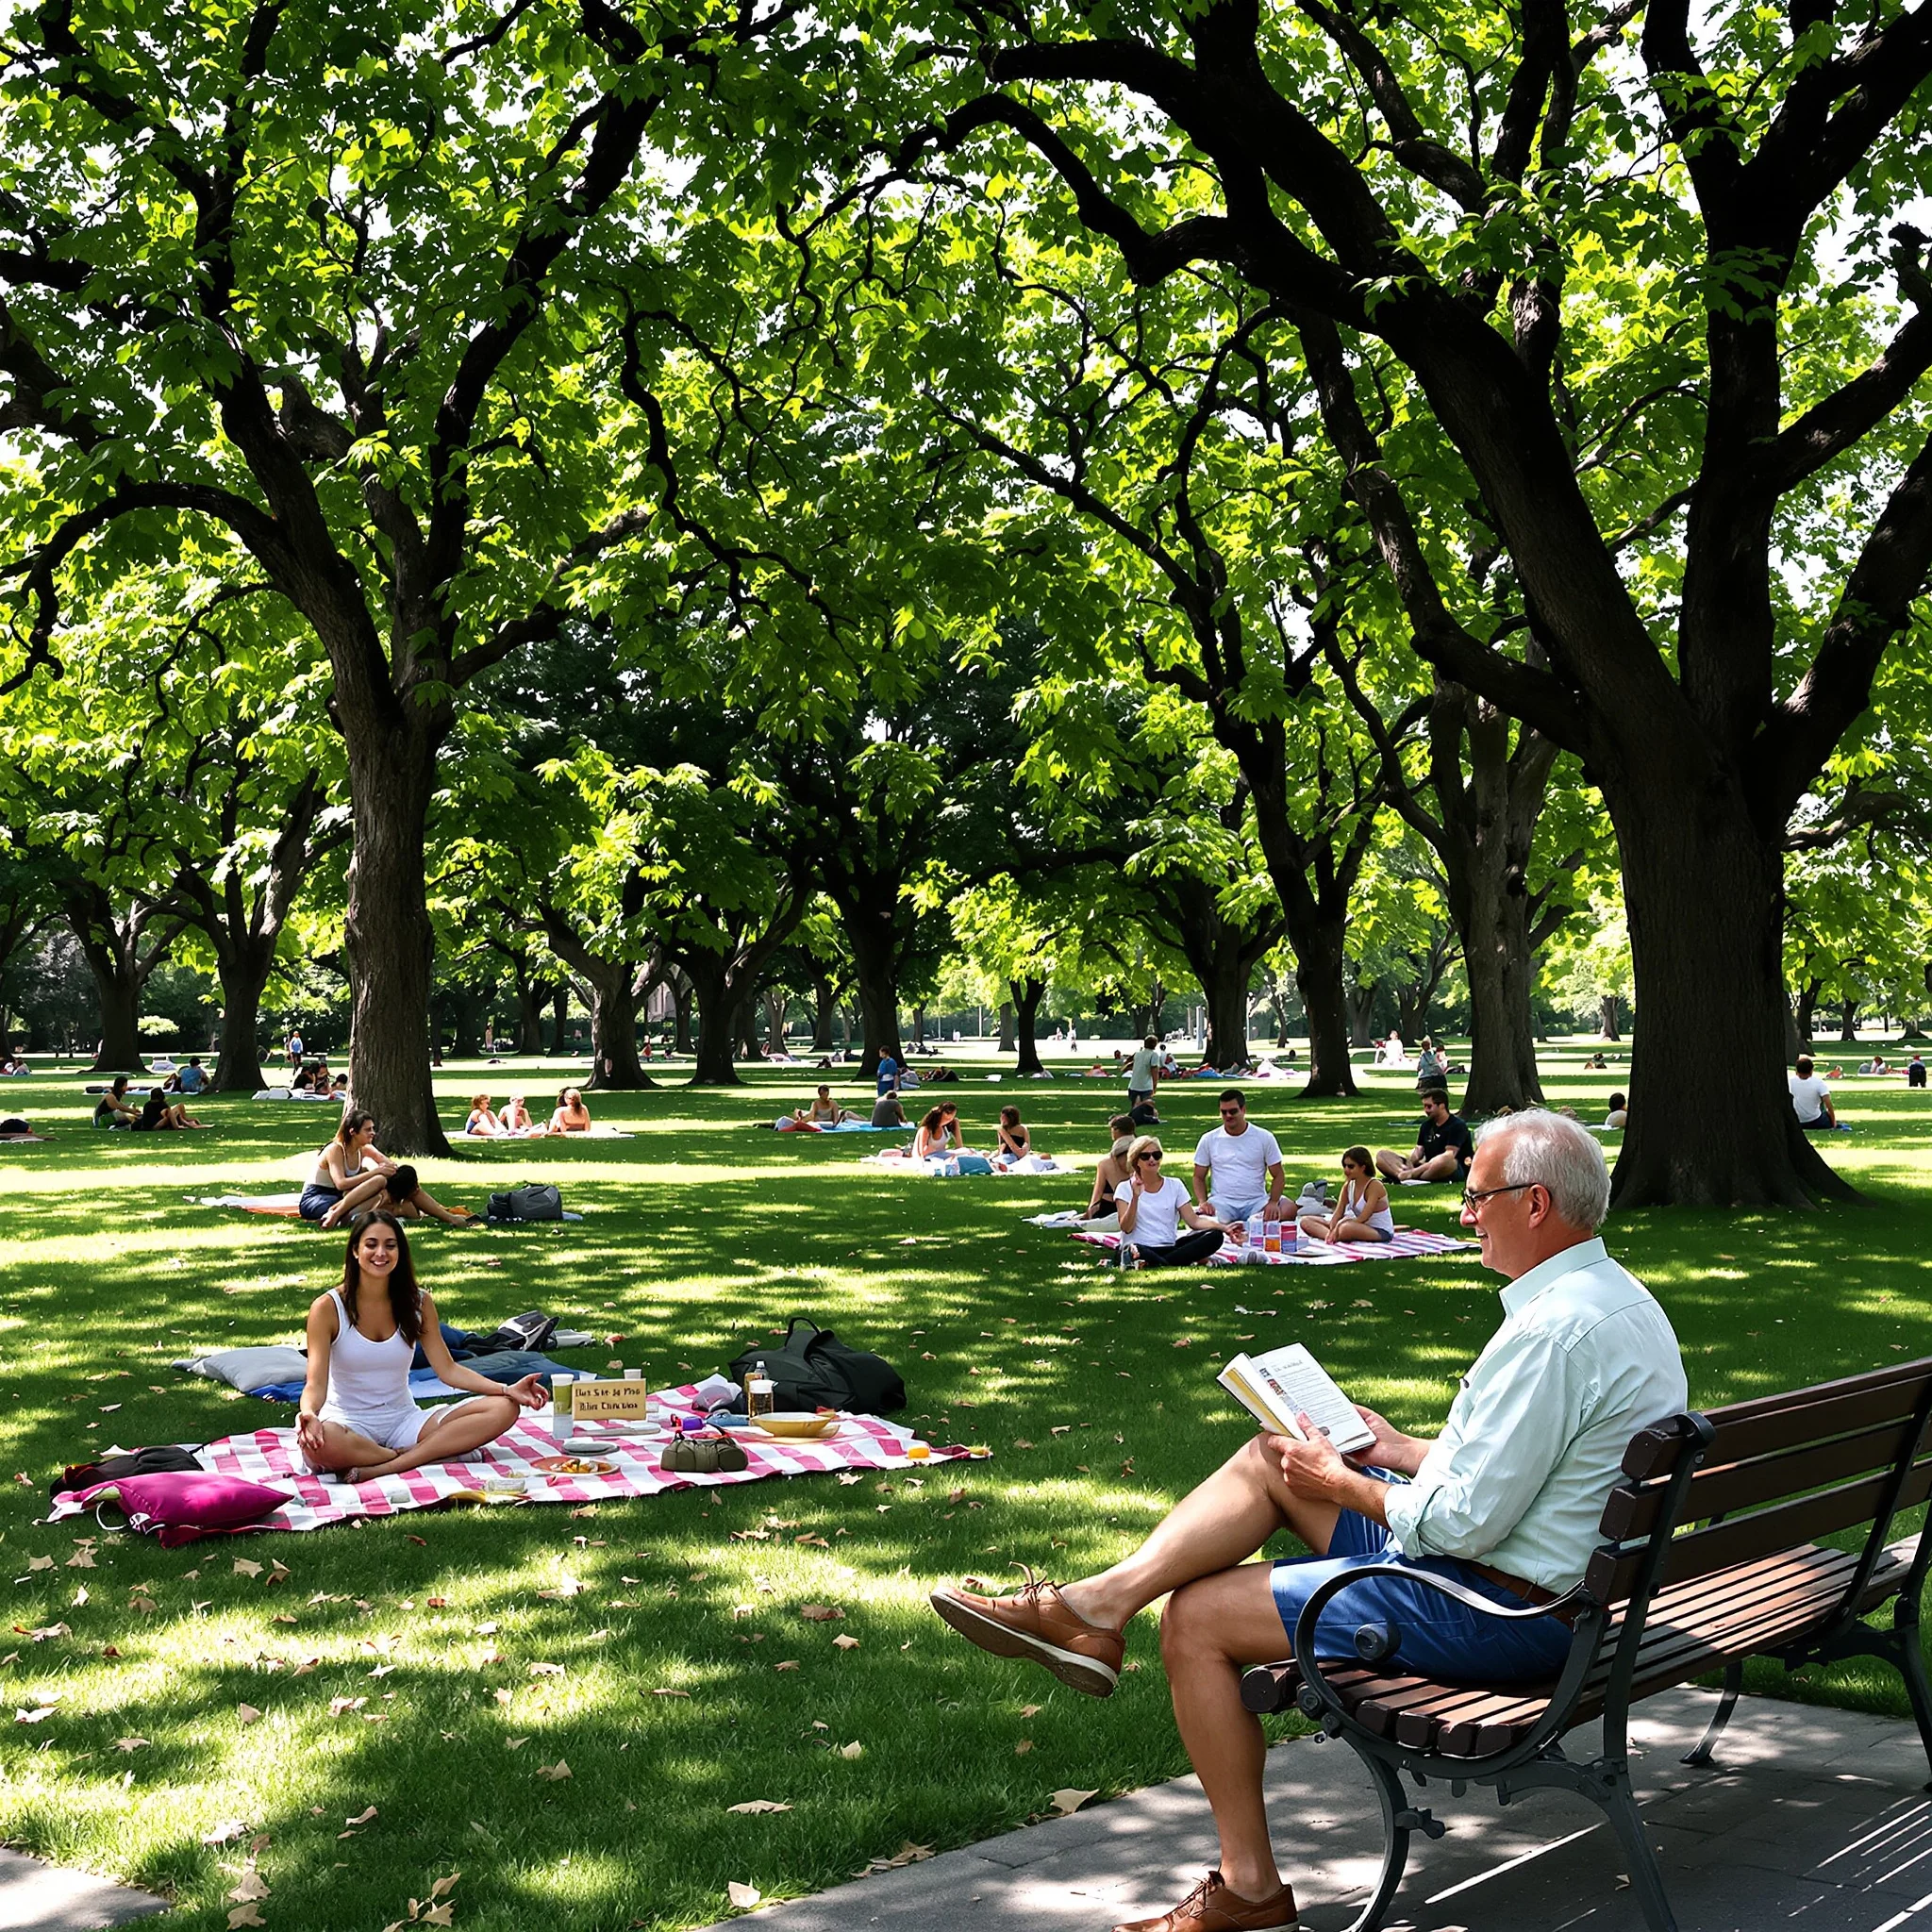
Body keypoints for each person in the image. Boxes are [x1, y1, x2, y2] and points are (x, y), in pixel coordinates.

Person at [929, 1109, 1687, 1932]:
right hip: (1555, 1587)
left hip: (1503, 1610)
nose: (1464, 1213)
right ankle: (1096, 1609)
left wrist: (1345, 1480)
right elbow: (1536, 1471)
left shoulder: (1552, 1332)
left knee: (1196, 1620)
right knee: (1268, 1458)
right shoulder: (1613, 1300)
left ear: (1534, 1203)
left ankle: (1250, 1891)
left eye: (1477, 1197)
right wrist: (1395, 1449)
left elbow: (1463, 1525)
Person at [296, 1211, 548, 1487]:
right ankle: (413, 1457)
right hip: (348, 1425)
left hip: (405, 1420)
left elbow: (448, 1370)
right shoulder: (328, 1308)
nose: (381, 1253)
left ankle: (387, 1465)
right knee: (319, 1445)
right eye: (371, 1244)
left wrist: (506, 1389)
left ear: (400, 1253)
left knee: (504, 1408)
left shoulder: (419, 1302)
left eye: (390, 1245)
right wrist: (308, 1412)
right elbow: (315, 1383)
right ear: (355, 1250)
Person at [301, 1110, 476, 1229]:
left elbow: (392, 1168)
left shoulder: (366, 1149)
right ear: (353, 1132)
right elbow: (340, 1183)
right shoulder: (335, 1149)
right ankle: (338, 1215)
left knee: (401, 1181)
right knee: (379, 1182)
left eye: (373, 1129)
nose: (373, 1133)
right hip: (318, 1199)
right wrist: (376, 1172)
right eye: (368, 1130)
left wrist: (401, 1178)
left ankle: (447, 1216)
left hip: (344, 1196)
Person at [1115, 1136, 1239, 1267]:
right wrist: (1135, 1197)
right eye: (1145, 1156)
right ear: (1136, 1161)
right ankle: (1161, 1261)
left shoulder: (1175, 1185)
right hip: (1139, 1246)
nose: (1152, 1159)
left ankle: (1157, 1262)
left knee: (1215, 1236)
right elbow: (1126, 1228)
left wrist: (1224, 1228)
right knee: (1135, 1250)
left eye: (1156, 1155)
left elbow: (1194, 1221)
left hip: (1168, 1247)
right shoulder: (1124, 1188)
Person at [1192, 1090, 1286, 1226]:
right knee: (1199, 1220)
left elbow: (1278, 1175)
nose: (1228, 1116)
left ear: (1243, 1110)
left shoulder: (1264, 1137)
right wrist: (1203, 1202)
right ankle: (1244, 1225)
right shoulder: (1209, 1139)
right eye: (1223, 1112)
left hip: (1256, 1201)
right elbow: (1198, 1176)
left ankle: (1250, 1223)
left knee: (1288, 1209)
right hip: (1221, 1202)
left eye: (1233, 1111)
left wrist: (1273, 1202)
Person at [1298, 1146, 1394, 1245]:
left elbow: (1363, 1218)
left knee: (1345, 1228)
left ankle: (1334, 1236)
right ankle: (1331, 1236)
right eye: (1345, 1166)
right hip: (1356, 1226)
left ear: (1363, 1167)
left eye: (1351, 1167)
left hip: (1379, 1231)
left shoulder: (1374, 1186)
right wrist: (1333, 1227)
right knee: (1306, 1221)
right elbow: (1338, 1212)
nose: (1346, 1170)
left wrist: (1340, 1224)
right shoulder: (1348, 1185)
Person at [1374, 1088, 1473, 1184]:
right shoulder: (1426, 1125)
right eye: (1424, 1106)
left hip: (1451, 1168)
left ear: (1442, 1106)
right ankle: (1402, 1175)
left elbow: (1449, 1155)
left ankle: (1409, 1177)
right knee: (1382, 1155)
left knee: (1446, 1160)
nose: (1426, 1110)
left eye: (1429, 1106)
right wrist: (1410, 1163)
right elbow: (1418, 1151)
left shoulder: (1457, 1125)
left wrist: (1415, 1171)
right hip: (1426, 1169)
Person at [1087, 1114, 1137, 1218]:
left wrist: (1089, 1212)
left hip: (1112, 1209)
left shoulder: (1105, 1163)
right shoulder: (1146, 1156)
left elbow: (1097, 1193)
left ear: (1116, 1130)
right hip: (1140, 1206)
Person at [1790, 1054, 1836, 1132]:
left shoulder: (1789, 1082)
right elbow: (1828, 1104)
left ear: (1796, 1071)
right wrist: (1834, 1123)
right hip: (1816, 1120)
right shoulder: (1819, 1083)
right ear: (1811, 1070)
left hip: (1796, 1121)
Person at [133, 1086, 203, 1131]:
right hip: (156, 1126)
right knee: (173, 1110)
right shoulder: (161, 1104)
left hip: (153, 1124)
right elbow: (165, 1115)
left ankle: (186, 1121)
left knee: (178, 1107)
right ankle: (179, 1125)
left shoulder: (147, 1104)